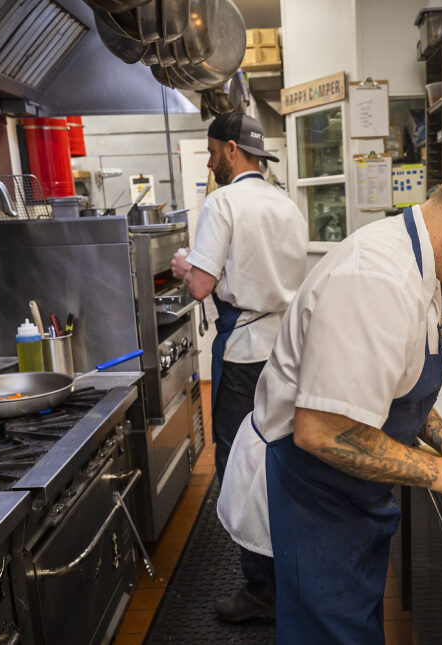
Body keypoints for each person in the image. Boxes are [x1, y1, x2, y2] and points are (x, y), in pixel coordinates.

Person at [217, 157, 442, 643]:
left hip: (345, 497)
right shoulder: (374, 277)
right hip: (310, 493)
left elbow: (390, 384)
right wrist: (440, 472)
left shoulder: (422, 265)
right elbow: (322, 430)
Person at [170, 112, 307, 622]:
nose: (209, 162)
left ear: (231, 150)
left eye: (210, 152)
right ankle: (288, 573)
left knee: (241, 467)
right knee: (282, 459)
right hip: (288, 349)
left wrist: (186, 267)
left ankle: (259, 591)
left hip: (245, 352)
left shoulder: (223, 202)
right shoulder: (286, 205)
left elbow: (202, 286)